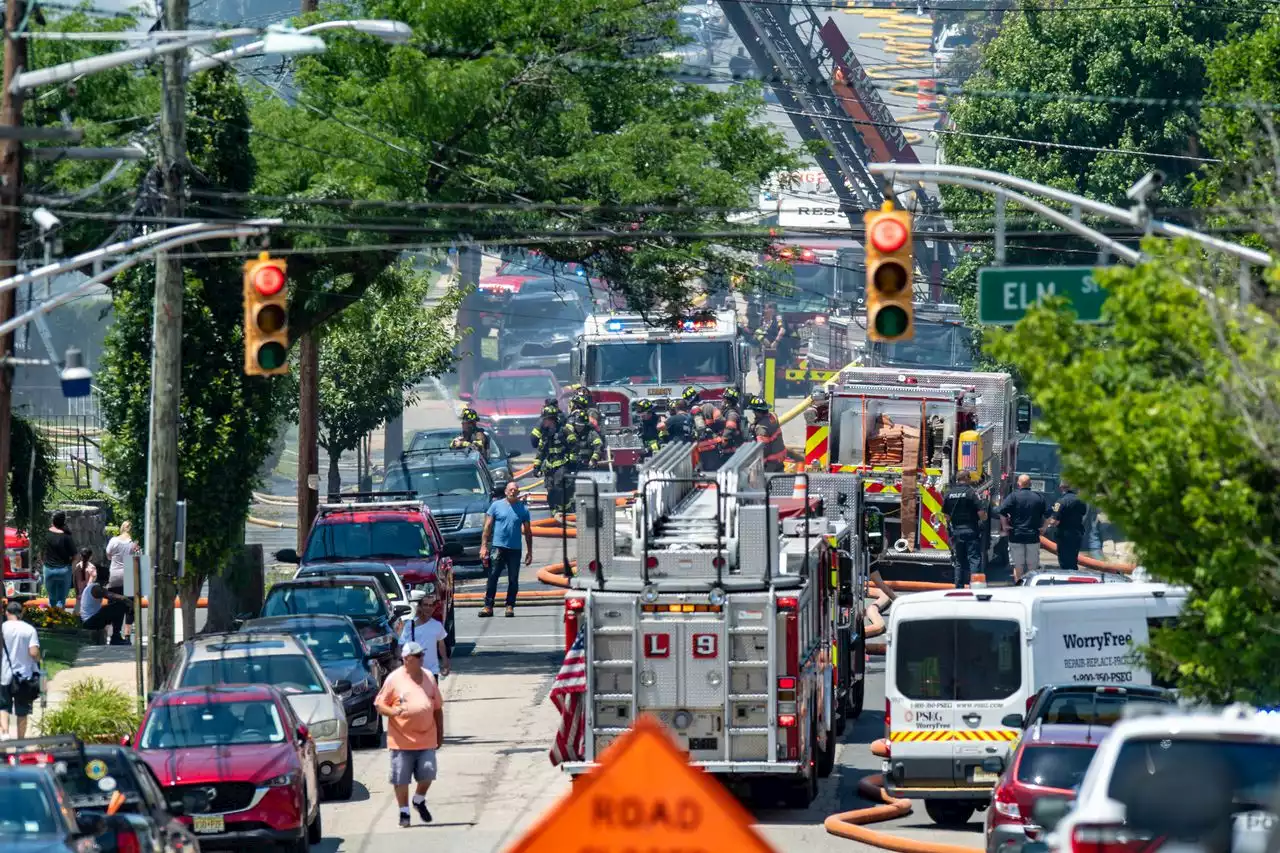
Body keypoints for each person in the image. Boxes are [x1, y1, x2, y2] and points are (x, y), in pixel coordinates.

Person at [374, 640, 444, 828]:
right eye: (419, 655)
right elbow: (379, 704)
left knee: (428, 773)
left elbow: (437, 708)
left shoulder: (429, 676)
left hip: (427, 737)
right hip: (401, 740)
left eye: (423, 654)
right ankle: (404, 812)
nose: (423, 658)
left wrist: (440, 733)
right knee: (401, 778)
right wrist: (392, 712)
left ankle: (419, 799)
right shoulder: (394, 679)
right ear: (407, 659)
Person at [478, 480, 534, 618]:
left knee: (513, 579)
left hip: (515, 549)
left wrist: (530, 552)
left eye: (515, 490)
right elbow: (487, 527)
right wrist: (484, 546)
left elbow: (528, 532)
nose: (513, 491)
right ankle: (488, 606)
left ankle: (510, 606)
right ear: (505, 491)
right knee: (493, 577)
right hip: (498, 548)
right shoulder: (496, 506)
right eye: (510, 489)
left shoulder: (523, 509)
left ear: (519, 492)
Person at [0, 600, 41, 739]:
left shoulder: (3, 628)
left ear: (7, 613)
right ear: (21, 613)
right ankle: (20, 742)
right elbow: (34, 653)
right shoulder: (29, 629)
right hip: (24, 677)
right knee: (22, 711)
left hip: (4, 675)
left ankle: (5, 734)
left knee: (3, 706)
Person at [998, 474, 1048, 583]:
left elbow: (1002, 512)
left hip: (1016, 535)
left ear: (1019, 484)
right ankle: (1030, 587)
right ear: (1030, 484)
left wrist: (1005, 525)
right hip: (1033, 536)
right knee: (1032, 566)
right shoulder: (1039, 497)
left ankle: (1019, 586)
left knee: (1018, 566)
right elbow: (1047, 515)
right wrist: (1044, 528)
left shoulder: (1013, 496)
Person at [941, 469, 986, 589]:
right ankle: (975, 587)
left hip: (957, 532)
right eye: (969, 478)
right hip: (971, 531)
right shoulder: (971, 493)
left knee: (959, 561)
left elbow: (946, 516)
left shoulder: (949, 494)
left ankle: (958, 587)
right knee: (974, 560)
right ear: (966, 478)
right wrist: (983, 520)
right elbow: (981, 513)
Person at [531, 403, 577, 520]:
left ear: (552, 420)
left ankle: (565, 509)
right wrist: (536, 466)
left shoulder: (564, 431)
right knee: (550, 489)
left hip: (562, 464)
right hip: (549, 466)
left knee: (558, 487)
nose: (543, 423)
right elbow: (541, 451)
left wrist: (572, 460)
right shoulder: (545, 435)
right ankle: (554, 511)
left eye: (545, 420)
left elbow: (574, 446)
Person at [399, 589, 449, 678]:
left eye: (431, 606)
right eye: (425, 605)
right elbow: (401, 645)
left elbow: (441, 643)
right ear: (420, 607)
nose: (428, 608)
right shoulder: (410, 625)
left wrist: (445, 660)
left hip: (432, 672)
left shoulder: (437, 625)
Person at [79, 564, 132, 645]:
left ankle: (116, 636)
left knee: (116, 606)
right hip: (90, 622)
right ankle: (116, 637)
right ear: (106, 577)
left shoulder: (93, 586)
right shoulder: (96, 589)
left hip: (90, 620)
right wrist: (128, 601)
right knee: (120, 606)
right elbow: (113, 596)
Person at [105, 521, 139, 642]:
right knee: (129, 606)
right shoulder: (134, 543)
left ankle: (115, 634)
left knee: (114, 604)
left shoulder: (114, 541)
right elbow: (138, 558)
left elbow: (108, 555)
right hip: (129, 574)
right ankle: (128, 635)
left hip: (114, 576)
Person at [1048, 482, 1089, 573]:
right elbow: (1083, 514)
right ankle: (1074, 577)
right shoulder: (1081, 501)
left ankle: (1067, 580)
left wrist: (1048, 524)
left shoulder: (1060, 501)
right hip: (1077, 534)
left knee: (1064, 562)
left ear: (1061, 488)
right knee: (1073, 560)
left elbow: (1055, 521)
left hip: (1064, 535)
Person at [42, 511, 76, 611]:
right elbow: (75, 555)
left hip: (49, 570)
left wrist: (44, 563)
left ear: (52, 520)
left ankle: (51, 621)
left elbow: (41, 552)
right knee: (61, 600)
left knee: (52, 599)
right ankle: (60, 622)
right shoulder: (67, 536)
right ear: (64, 521)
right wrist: (71, 568)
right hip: (64, 570)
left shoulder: (46, 534)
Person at [748, 395, 786, 472]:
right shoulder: (773, 416)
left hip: (771, 461)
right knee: (779, 478)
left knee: (766, 481)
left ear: (757, 412)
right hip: (781, 456)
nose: (753, 413)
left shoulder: (761, 428)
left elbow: (762, 449)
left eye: (754, 411)